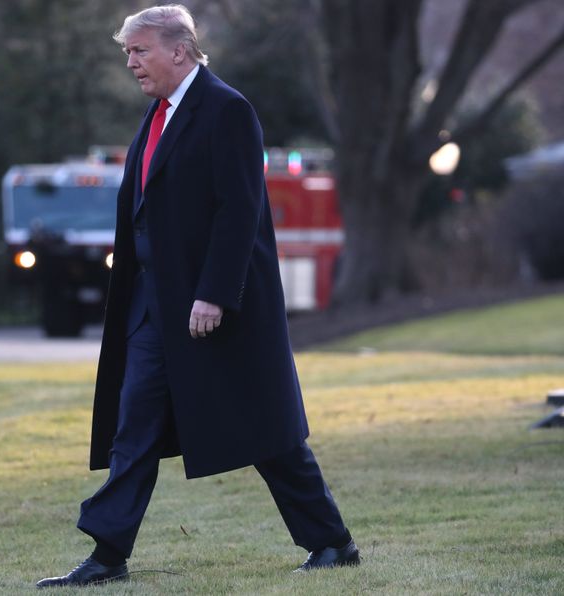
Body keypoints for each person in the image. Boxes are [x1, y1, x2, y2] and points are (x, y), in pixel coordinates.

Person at [36, 4, 359, 588]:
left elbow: (241, 211)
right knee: (133, 427)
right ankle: (108, 555)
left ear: (179, 51)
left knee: (268, 432)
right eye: (127, 52)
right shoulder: (156, 113)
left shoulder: (226, 110)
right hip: (153, 306)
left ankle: (332, 542)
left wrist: (213, 294)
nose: (130, 62)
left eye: (140, 51)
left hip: (215, 308)